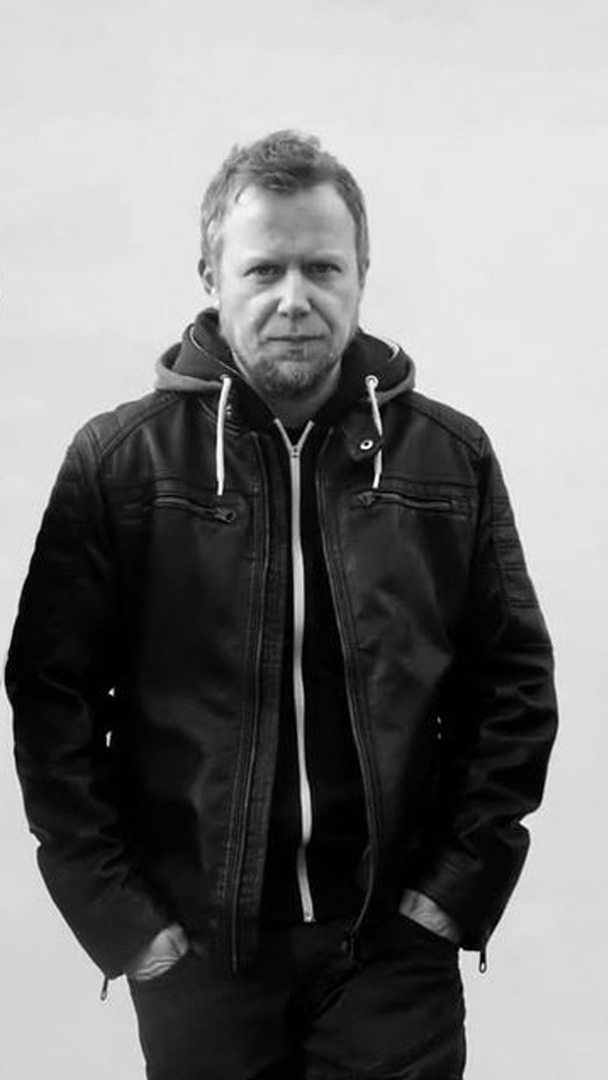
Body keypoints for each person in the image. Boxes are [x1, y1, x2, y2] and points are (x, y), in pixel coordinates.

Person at [6, 130, 557, 1080]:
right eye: (264, 269)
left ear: (361, 275)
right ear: (211, 276)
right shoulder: (120, 465)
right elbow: (50, 706)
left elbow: (512, 688)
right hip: (199, 952)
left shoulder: (447, 458)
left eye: (322, 268)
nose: (294, 299)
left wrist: (451, 896)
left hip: (391, 947)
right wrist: (128, 926)